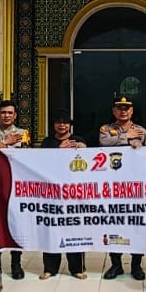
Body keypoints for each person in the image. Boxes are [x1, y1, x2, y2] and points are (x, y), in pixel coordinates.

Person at [99, 93, 146, 280]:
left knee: (136, 224)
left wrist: (139, 144)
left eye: (126, 108)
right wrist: (126, 138)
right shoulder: (106, 129)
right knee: (114, 224)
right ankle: (116, 264)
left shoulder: (142, 131)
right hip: (113, 186)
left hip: (135, 187)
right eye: (119, 108)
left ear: (132, 111)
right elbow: (104, 143)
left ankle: (136, 264)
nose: (123, 111)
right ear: (114, 110)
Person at [0, 99, 31, 279]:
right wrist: (1, 142)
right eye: (3, 113)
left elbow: (27, 156)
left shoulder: (23, 133)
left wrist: (8, 144)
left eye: (10, 113)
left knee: (16, 225)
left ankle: (16, 264)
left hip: (15, 188)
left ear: (15, 115)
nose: (6, 116)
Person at [40, 110, 88, 280]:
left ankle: (77, 268)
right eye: (58, 122)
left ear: (70, 125)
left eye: (65, 122)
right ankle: (50, 268)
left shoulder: (79, 140)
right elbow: (41, 163)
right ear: (54, 124)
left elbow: (88, 162)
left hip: (74, 193)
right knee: (51, 229)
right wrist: (59, 149)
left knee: (75, 229)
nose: (62, 125)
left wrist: (84, 149)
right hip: (52, 194)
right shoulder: (47, 143)